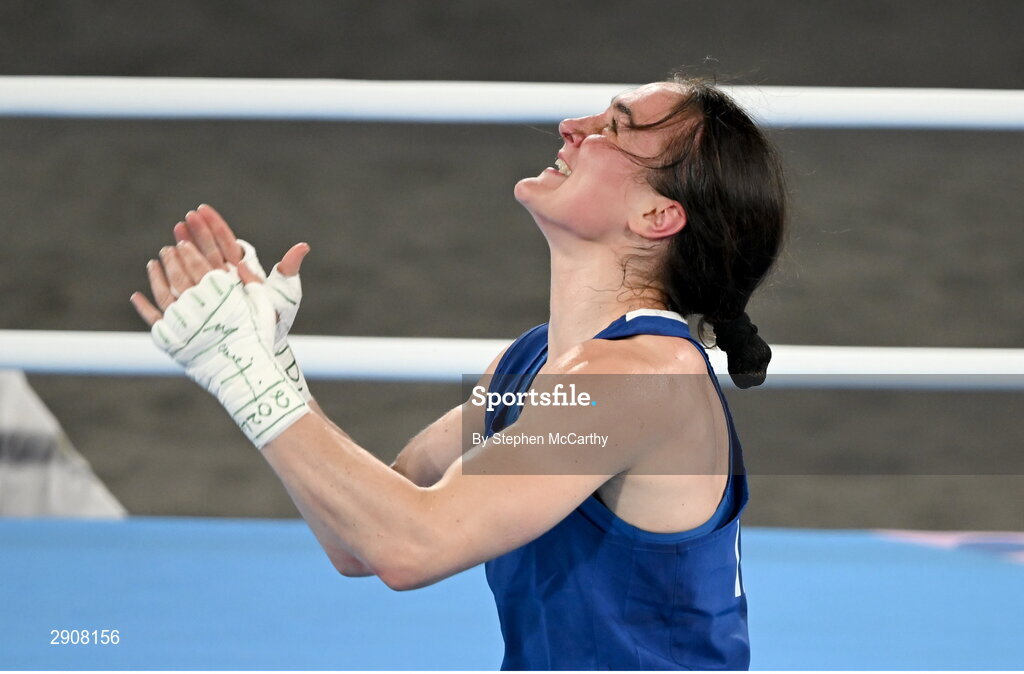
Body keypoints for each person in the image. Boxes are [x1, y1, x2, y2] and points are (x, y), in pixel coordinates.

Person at [130, 74, 786, 670]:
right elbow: (359, 540)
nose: (573, 128)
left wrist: (240, 368)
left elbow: (409, 547)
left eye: (614, 129)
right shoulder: (530, 362)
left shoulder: (641, 380)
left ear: (656, 216)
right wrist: (271, 361)